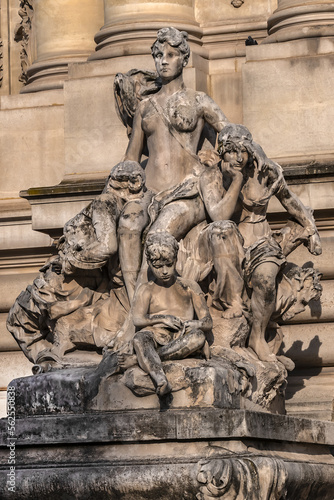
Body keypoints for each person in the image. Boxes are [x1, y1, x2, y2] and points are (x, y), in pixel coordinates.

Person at [208, 124, 322, 362]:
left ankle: (257, 337)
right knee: (222, 235)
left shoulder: (266, 173)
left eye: (244, 151)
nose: (238, 158)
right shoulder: (212, 177)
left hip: (260, 241)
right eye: (231, 151)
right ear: (221, 152)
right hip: (226, 244)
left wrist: (310, 228)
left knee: (266, 280)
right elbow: (219, 217)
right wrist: (237, 180)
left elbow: (290, 201)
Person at [124, 27, 239, 242]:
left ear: (184, 59)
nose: (164, 61)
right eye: (159, 56)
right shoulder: (145, 106)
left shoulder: (199, 100)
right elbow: (131, 158)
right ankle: (131, 278)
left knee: (158, 236)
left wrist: (222, 159)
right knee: (126, 228)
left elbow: (232, 135)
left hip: (186, 189)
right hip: (148, 192)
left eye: (171, 55)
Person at [126, 232, 212, 396]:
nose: (164, 271)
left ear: (176, 260)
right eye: (158, 267)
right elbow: (137, 318)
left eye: (169, 265)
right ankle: (161, 380)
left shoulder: (189, 286)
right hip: (156, 335)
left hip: (183, 335)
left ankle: (142, 359)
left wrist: (196, 324)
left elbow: (207, 321)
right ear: (149, 264)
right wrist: (163, 319)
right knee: (139, 338)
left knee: (199, 336)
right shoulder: (146, 289)